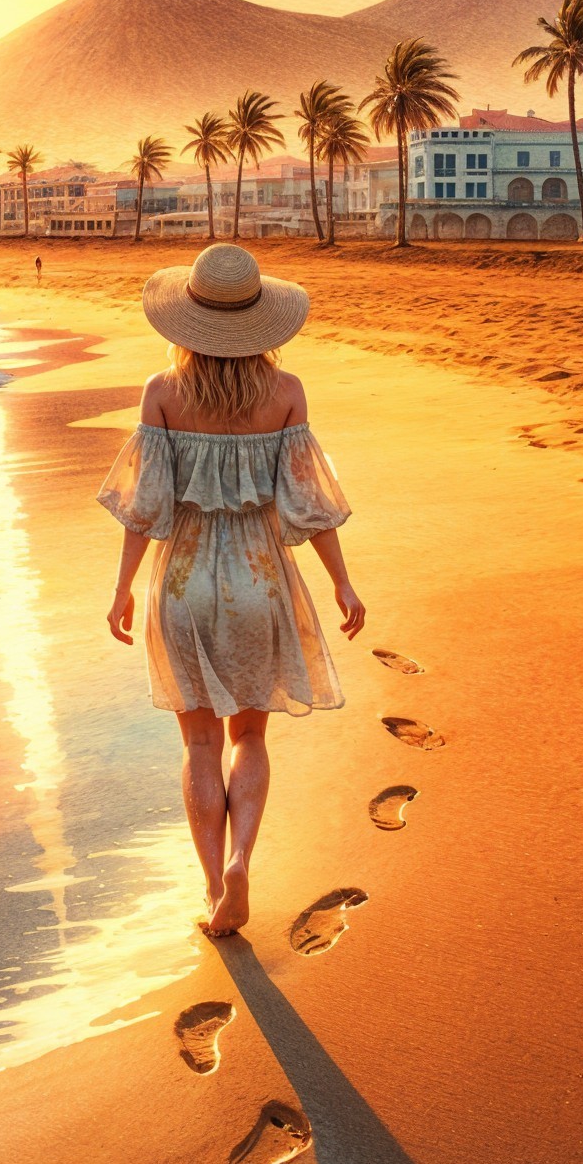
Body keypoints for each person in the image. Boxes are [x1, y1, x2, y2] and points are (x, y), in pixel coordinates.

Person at [98, 243, 364, 938]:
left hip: (184, 583)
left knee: (198, 746)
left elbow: (145, 509)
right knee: (250, 733)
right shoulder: (286, 393)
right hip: (260, 578)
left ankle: (215, 886)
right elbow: (308, 503)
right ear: (260, 322)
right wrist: (342, 583)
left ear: (187, 320)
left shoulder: (162, 392)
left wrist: (123, 588)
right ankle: (244, 859)